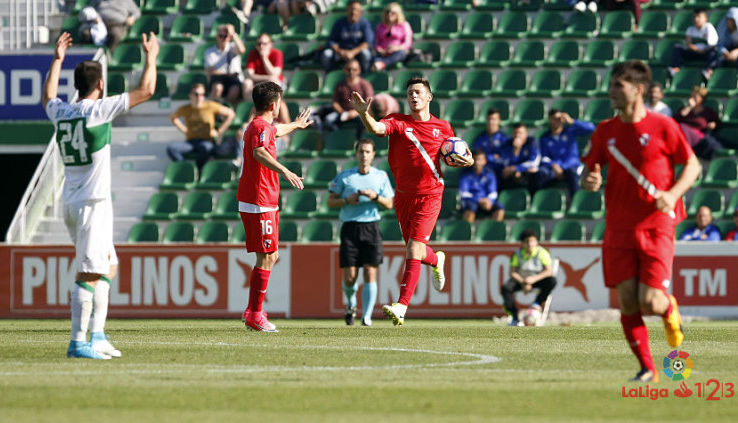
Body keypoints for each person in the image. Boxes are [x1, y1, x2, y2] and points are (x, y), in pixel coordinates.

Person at [581, 60, 702, 382]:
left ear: (639, 90)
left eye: (618, 86)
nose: (611, 92)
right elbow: (589, 170)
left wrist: (674, 195)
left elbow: (693, 167)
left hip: (656, 223)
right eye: (611, 85)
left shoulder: (663, 126)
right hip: (618, 227)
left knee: (651, 301)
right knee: (629, 301)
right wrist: (589, 180)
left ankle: (668, 308)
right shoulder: (605, 130)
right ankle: (648, 367)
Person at [43, 31, 159, 359]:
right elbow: (147, 90)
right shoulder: (99, 110)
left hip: (74, 200)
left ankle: (98, 335)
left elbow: (48, 96)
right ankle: (78, 342)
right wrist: (151, 55)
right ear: (100, 85)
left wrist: (57, 59)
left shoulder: (62, 111)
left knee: (109, 265)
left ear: (76, 85)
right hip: (91, 204)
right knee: (89, 272)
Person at [349, 77, 473, 326]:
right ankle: (437, 260)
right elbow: (376, 129)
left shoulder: (444, 128)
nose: (413, 96)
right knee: (416, 250)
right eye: (409, 93)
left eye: (418, 92)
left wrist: (466, 161)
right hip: (404, 196)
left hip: (430, 195)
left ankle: (402, 305)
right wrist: (365, 114)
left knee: (413, 249)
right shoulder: (397, 121)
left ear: (429, 97)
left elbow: (465, 157)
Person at [239, 81, 313, 332]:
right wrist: (284, 170)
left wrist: (297, 125)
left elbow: (276, 132)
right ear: (274, 104)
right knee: (268, 256)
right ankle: (255, 314)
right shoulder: (260, 127)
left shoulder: (261, 126)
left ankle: (252, 310)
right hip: (260, 200)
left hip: (262, 199)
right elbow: (260, 151)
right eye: (280, 101)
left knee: (270, 255)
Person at [328, 138, 395, 326]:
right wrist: (347, 200)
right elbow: (330, 201)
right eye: (361, 152)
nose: (364, 155)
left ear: (373, 155)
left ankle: (367, 317)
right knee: (350, 277)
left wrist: (375, 197)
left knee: (369, 271)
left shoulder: (381, 176)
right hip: (350, 227)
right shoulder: (345, 177)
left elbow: (389, 204)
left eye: (368, 152)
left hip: (371, 226)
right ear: (356, 154)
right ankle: (351, 305)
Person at [167, 83, 236, 171]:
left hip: (206, 141)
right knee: (171, 148)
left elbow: (231, 114)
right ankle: (185, 168)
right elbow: (173, 117)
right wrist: (184, 129)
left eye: (202, 94)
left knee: (207, 148)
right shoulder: (185, 109)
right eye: (196, 94)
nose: (199, 97)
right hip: (190, 142)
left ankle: (197, 169)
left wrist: (219, 131)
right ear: (190, 95)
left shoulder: (210, 105)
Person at [500, 229, 557, 327]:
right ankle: (514, 317)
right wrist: (524, 283)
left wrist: (533, 280)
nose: (530, 244)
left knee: (552, 281)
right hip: (521, 280)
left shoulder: (542, 252)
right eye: (527, 241)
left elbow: (549, 271)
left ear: (536, 242)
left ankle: (537, 304)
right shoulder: (517, 254)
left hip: (537, 280)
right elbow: (512, 273)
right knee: (506, 288)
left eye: (532, 241)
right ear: (522, 243)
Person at [537, 109, 595, 196]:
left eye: (559, 118)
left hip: (571, 166)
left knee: (573, 173)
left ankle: (575, 202)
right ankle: (541, 201)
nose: (558, 121)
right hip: (555, 168)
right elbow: (544, 157)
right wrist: (554, 165)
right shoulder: (545, 138)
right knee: (541, 174)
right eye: (555, 118)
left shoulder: (570, 132)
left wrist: (572, 121)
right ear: (550, 120)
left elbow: (591, 128)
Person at [243, 33, 290, 125]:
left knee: (273, 81)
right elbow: (249, 74)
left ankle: (266, 104)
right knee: (246, 82)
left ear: (270, 44)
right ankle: (253, 105)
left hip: (274, 83)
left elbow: (275, 74)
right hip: (259, 84)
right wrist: (267, 78)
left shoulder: (277, 53)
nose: (261, 46)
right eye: (259, 44)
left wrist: (264, 58)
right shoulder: (253, 54)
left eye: (264, 44)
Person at [322, 59, 374, 138]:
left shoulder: (365, 84)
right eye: (349, 69)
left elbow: (368, 103)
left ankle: (359, 140)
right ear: (345, 70)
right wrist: (343, 112)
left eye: (354, 69)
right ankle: (340, 138)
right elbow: (335, 102)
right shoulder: (340, 85)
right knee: (328, 120)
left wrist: (355, 112)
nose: (351, 72)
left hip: (360, 113)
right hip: (342, 112)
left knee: (364, 122)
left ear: (359, 70)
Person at [321, 0, 374, 73]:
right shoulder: (339, 23)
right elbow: (331, 41)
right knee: (327, 54)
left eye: (356, 10)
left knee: (366, 54)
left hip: (357, 53)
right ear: (347, 10)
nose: (353, 12)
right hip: (341, 53)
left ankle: (364, 75)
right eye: (351, 9)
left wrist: (353, 52)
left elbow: (367, 42)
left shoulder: (365, 24)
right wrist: (341, 52)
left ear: (360, 12)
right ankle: (332, 75)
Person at [673, 86, 723, 160]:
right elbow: (676, 119)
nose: (692, 98)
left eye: (695, 96)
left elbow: (718, 123)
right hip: (684, 135)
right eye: (691, 96)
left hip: (699, 137)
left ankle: (686, 154)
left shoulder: (708, 112)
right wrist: (689, 107)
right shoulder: (684, 109)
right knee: (682, 127)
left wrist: (714, 124)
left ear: (702, 99)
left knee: (683, 127)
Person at [670, 8, 719, 80]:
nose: (696, 19)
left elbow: (712, 44)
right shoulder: (690, 29)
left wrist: (703, 50)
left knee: (713, 51)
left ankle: (709, 71)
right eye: (695, 17)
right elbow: (688, 43)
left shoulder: (709, 27)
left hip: (706, 52)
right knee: (678, 48)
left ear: (705, 18)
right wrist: (697, 49)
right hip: (694, 52)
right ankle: (676, 69)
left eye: (699, 16)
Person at [205, 24, 247, 106]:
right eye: (221, 36)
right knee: (217, 87)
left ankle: (224, 108)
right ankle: (215, 109)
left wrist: (233, 33)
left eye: (226, 36)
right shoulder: (209, 51)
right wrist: (228, 74)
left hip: (234, 78)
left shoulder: (233, 47)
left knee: (234, 90)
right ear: (217, 37)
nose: (223, 38)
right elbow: (210, 71)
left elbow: (242, 50)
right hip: (219, 78)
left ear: (230, 37)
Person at [459, 149, 504, 223]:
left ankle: (493, 231)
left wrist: (489, 201)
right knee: (471, 207)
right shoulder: (465, 174)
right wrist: (479, 200)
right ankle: (466, 231)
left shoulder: (490, 174)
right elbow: (463, 193)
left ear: (485, 161)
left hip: (486, 202)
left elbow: (493, 192)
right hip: (471, 201)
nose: (477, 162)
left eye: (480, 160)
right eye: (475, 159)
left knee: (500, 208)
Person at [494, 123, 541, 192]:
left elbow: (534, 162)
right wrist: (516, 150)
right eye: (515, 133)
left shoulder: (532, 143)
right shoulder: (509, 144)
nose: (517, 135)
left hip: (527, 174)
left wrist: (516, 168)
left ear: (526, 134)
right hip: (512, 174)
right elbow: (505, 161)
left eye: (520, 133)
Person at [371, 2, 413, 71]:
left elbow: (408, 42)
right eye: (387, 12)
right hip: (383, 52)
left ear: (398, 14)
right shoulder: (380, 25)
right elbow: (376, 40)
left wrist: (397, 48)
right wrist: (379, 49)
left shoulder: (404, 25)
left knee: (401, 53)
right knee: (373, 57)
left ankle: (382, 64)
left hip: (397, 52)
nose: (389, 14)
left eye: (392, 13)